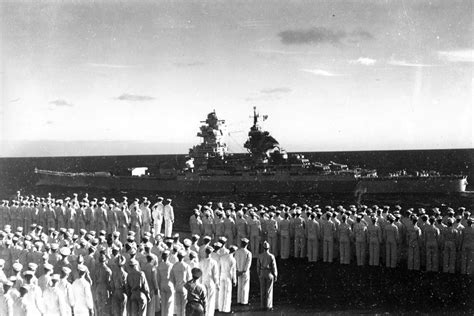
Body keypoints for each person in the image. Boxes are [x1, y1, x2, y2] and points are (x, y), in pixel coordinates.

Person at [198, 246, 219, 316]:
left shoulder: (201, 261)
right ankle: (209, 314)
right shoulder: (213, 262)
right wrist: (217, 284)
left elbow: (199, 274)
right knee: (211, 299)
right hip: (210, 282)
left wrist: (199, 283)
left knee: (204, 299)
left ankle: (204, 313)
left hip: (203, 281)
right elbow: (215, 275)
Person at [257, 241, 277, 311]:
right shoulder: (271, 256)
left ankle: (262, 305)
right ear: (269, 248)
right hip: (269, 272)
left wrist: (259, 273)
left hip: (262, 272)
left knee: (262, 290)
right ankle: (268, 305)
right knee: (269, 290)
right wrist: (275, 275)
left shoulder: (260, 256)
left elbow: (258, 266)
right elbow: (274, 266)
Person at [170, 250, 191, 316]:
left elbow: (171, 277)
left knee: (178, 305)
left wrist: (175, 284)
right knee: (184, 306)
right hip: (184, 287)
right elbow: (189, 278)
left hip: (176, 287)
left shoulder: (174, 266)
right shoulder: (186, 266)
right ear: (183, 257)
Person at [218, 245, 237, 313]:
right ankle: (226, 309)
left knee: (221, 292)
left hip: (222, 275)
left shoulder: (222, 257)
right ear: (234, 252)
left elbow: (219, 268)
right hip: (228, 276)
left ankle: (220, 308)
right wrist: (234, 280)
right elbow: (233, 271)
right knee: (227, 292)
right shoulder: (233, 260)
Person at [234, 238, 252, 306]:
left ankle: (239, 300)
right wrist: (243, 271)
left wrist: (237, 270)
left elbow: (234, 262)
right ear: (247, 244)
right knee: (245, 286)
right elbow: (248, 264)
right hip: (245, 272)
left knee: (240, 286)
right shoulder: (248, 253)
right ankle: (244, 301)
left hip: (238, 271)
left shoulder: (237, 252)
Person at [157, 250, 175, 316]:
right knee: (169, 304)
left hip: (162, 284)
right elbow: (173, 277)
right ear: (168, 256)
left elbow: (158, 278)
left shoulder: (159, 265)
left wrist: (159, 286)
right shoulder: (171, 265)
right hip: (169, 284)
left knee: (163, 304)